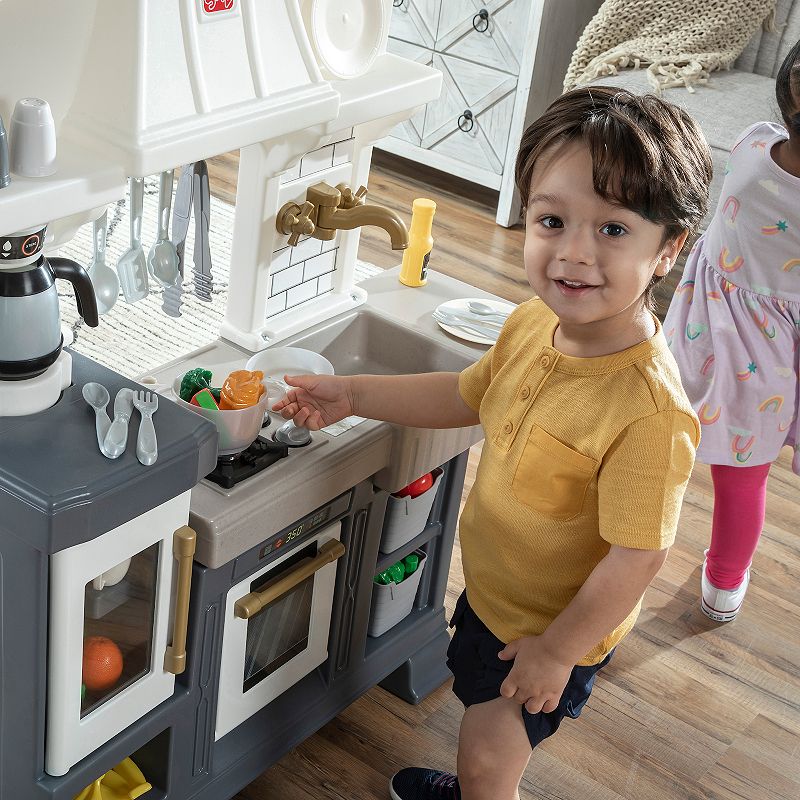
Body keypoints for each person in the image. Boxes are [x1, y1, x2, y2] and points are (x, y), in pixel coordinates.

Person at [273, 86, 713, 800]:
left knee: (487, 761)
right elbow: (465, 394)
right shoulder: (531, 324)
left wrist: (557, 653)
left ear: (668, 250)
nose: (573, 254)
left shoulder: (649, 413)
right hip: (493, 596)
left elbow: (640, 555)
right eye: (553, 219)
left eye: (612, 230)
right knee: (480, 719)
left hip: (555, 632)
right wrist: (353, 395)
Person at [663, 39, 800, 624]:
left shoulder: (753, 147)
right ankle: (722, 586)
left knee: (657, 427)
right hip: (777, 351)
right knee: (743, 478)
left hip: (710, 326)